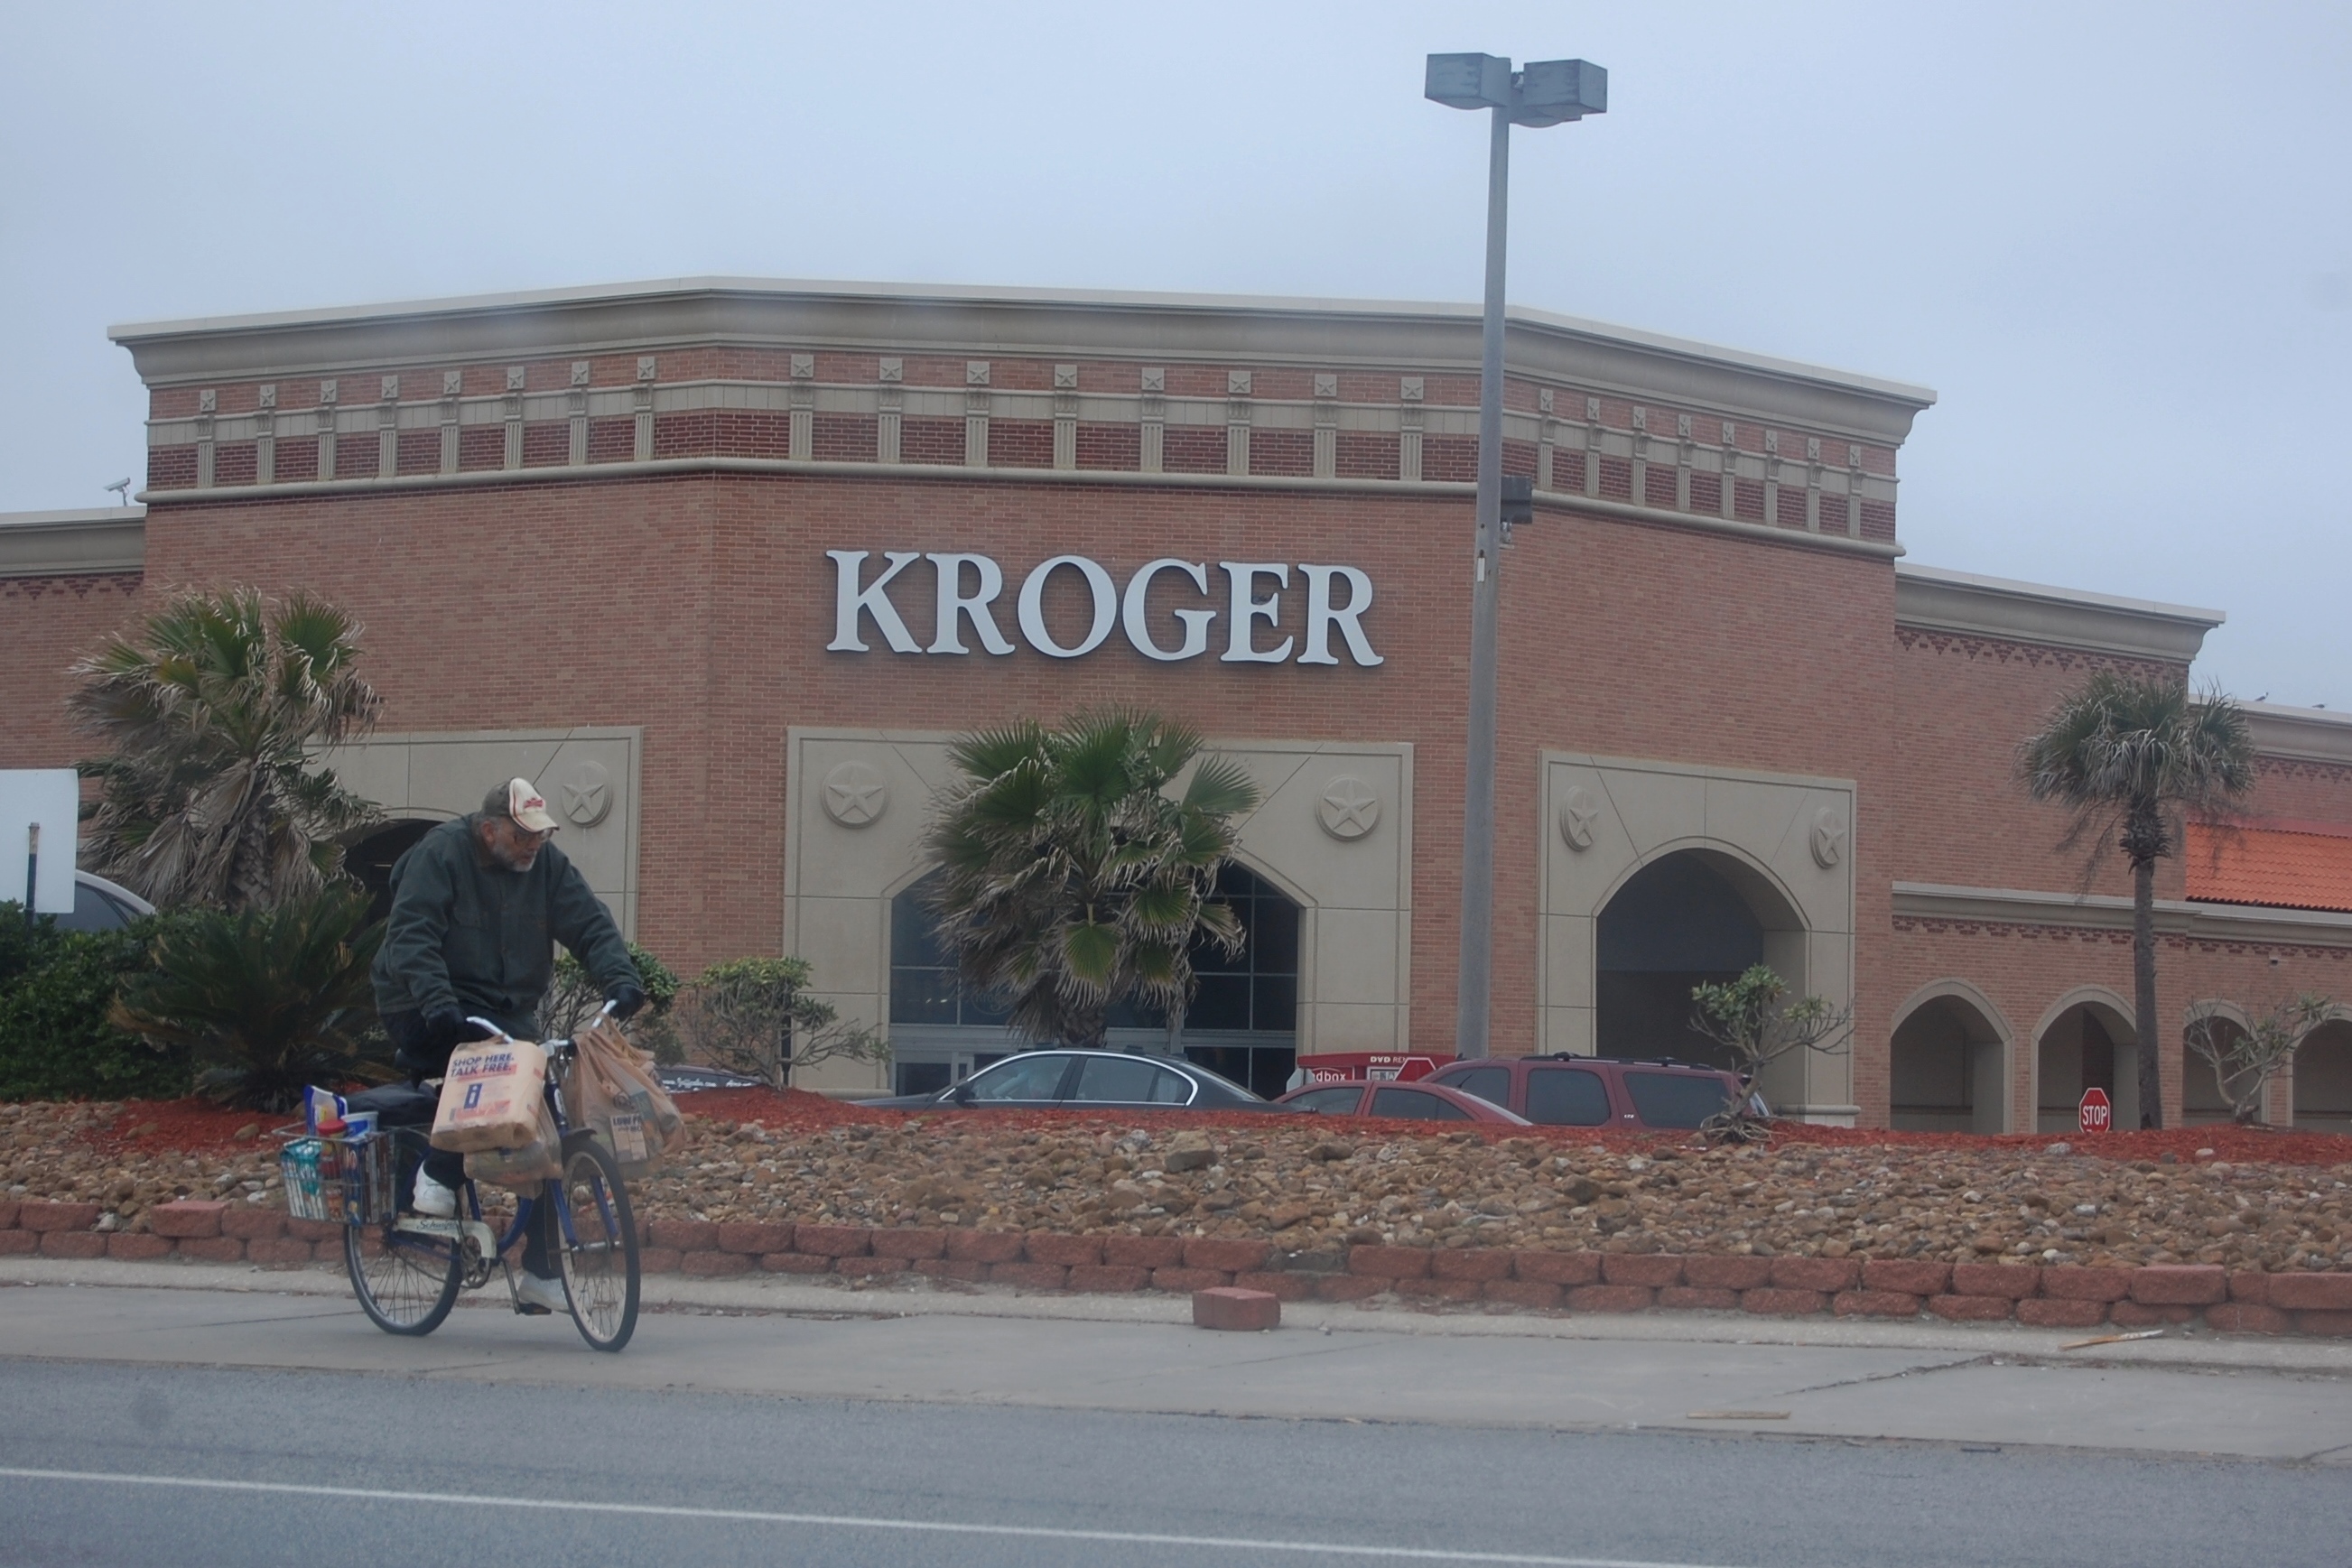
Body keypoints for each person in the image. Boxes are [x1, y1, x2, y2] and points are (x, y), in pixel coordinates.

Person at [371, 777, 646, 1313]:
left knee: (545, 1125)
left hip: (503, 1008)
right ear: (489, 830)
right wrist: (437, 1003)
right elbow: (412, 935)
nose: (532, 847)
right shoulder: (441, 855)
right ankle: (437, 1172)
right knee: (493, 1070)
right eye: (522, 837)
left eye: (539, 836)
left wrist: (620, 979)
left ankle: (542, 1271)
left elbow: (589, 922)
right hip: (420, 1000)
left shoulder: (544, 865)